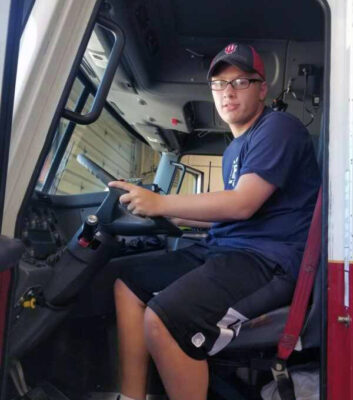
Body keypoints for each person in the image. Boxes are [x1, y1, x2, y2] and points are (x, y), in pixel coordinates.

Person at [109, 43, 320, 400]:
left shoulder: (278, 128)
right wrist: (168, 212)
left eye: (240, 81)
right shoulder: (234, 150)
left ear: (262, 88)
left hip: (268, 260)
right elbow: (228, 215)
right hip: (226, 249)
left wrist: (160, 202)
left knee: (166, 318)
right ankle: (131, 397)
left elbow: (242, 205)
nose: (228, 92)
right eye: (219, 85)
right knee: (127, 282)